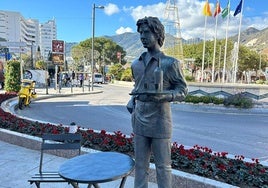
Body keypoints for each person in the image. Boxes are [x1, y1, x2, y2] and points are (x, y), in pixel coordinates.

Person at [127, 16, 188, 188]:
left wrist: (165, 96)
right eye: (140, 33)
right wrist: (132, 100)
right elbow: (137, 86)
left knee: (163, 166)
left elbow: (183, 90)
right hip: (139, 119)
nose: (142, 36)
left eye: (146, 32)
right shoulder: (135, 64)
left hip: (161, 121)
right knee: (140, 165)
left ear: (158, 34)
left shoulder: (171, 63)